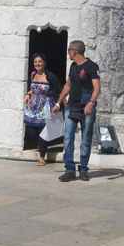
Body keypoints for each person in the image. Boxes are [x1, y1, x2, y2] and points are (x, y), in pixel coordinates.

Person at [52, 40, 101, 181]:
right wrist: (58, 102)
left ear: (75, 51)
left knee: (86, 139)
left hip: (86, 107)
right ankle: (69, 169)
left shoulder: (92, 66)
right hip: (71, 107)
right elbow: (68, 85)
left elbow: (97, 87)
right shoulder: (73, 66)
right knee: (68, 138)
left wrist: (91, 103)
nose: (68, 52)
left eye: (69, 50)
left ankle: (84, 169)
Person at [23, 53, 61, 165]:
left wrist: (57, 104)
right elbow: (32, 89)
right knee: (31, 131)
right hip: (33, 106)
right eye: (35, 62)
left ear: (44, 63)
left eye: (40, 61)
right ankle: (40, 149)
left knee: (43, 132)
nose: (37, 64)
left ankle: (41, 157)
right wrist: (28, 94)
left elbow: (58, 90)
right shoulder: (33, 74)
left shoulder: (50, 76)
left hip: (46, 106)